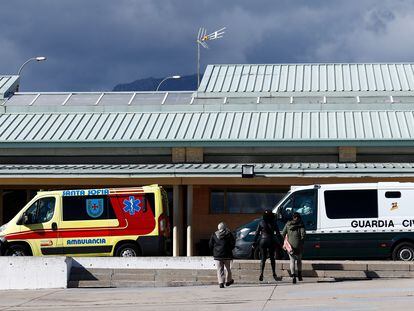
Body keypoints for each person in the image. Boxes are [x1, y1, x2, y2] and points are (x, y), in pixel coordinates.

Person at [253, 209, 282, 282]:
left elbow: (256, 233)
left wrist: (254, 242)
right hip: (271, 240)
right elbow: (278, 234)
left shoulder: (261, 222)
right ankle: (274, 274)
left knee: (263, 258)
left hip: (262, 240)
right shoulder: (274, 222)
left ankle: (261, 273)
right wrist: (281, 242)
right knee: (272, 258)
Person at [209, 222, 236, 288]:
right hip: (227, 255)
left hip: (218, 255)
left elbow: (210, 245)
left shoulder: (214, 234)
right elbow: (233, 243)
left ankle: (221, 283)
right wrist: (230, 249)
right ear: (225, 227)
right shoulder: (229, 234)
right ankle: (228, 281)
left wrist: (214, 251)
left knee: (219, 269)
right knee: (228, 269)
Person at [282, 212, 306, 284]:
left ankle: (293, 276)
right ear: (299, 218)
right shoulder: (301, 225)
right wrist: (301, 242)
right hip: (299, 245)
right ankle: (299, 275)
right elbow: (303, 235)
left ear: (293, 217)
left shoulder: (288, 224)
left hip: (290, 246)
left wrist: (287, 239)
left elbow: (283, 233)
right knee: (299, 260)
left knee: (292, 261)